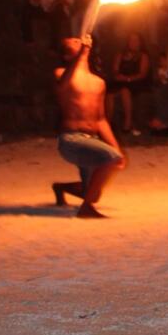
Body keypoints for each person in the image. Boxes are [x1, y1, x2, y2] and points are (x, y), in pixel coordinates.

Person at [51, 34, 125, 219]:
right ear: (68, 56)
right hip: (71, 140)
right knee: (111, 159)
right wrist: (81, 54)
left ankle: (61, 188)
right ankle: (85, 210)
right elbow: (65, 83)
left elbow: (101, 120)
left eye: (78, 39)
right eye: (73, 41)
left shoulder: (99, 83)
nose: (78, 40)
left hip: (91, 140)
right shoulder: (61, 74)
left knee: (92, 192)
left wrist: (117, 149)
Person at [105, 32, 151, 136]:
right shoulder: (120, 55)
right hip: (121, 82)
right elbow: (115, 70)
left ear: (140, 43)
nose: (133, 42)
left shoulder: (143, 56)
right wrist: (119, 76)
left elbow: (142, 74)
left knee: (125, 91)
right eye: (131, 40)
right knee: (110, 94)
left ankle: (128, 123)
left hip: (135, 82)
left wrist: (128, 79)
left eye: (136, 40)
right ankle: (107, 124)